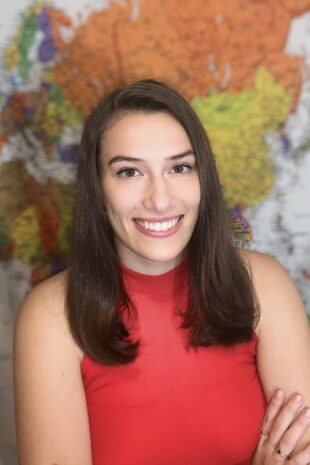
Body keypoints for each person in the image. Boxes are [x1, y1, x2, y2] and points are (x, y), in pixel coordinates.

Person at [13, 79, 310, 465]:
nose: (160, 199)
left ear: (202, 178)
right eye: (129, 173)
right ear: (98, 190)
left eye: (179, 167)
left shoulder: (263, 286)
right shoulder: (51, 317)